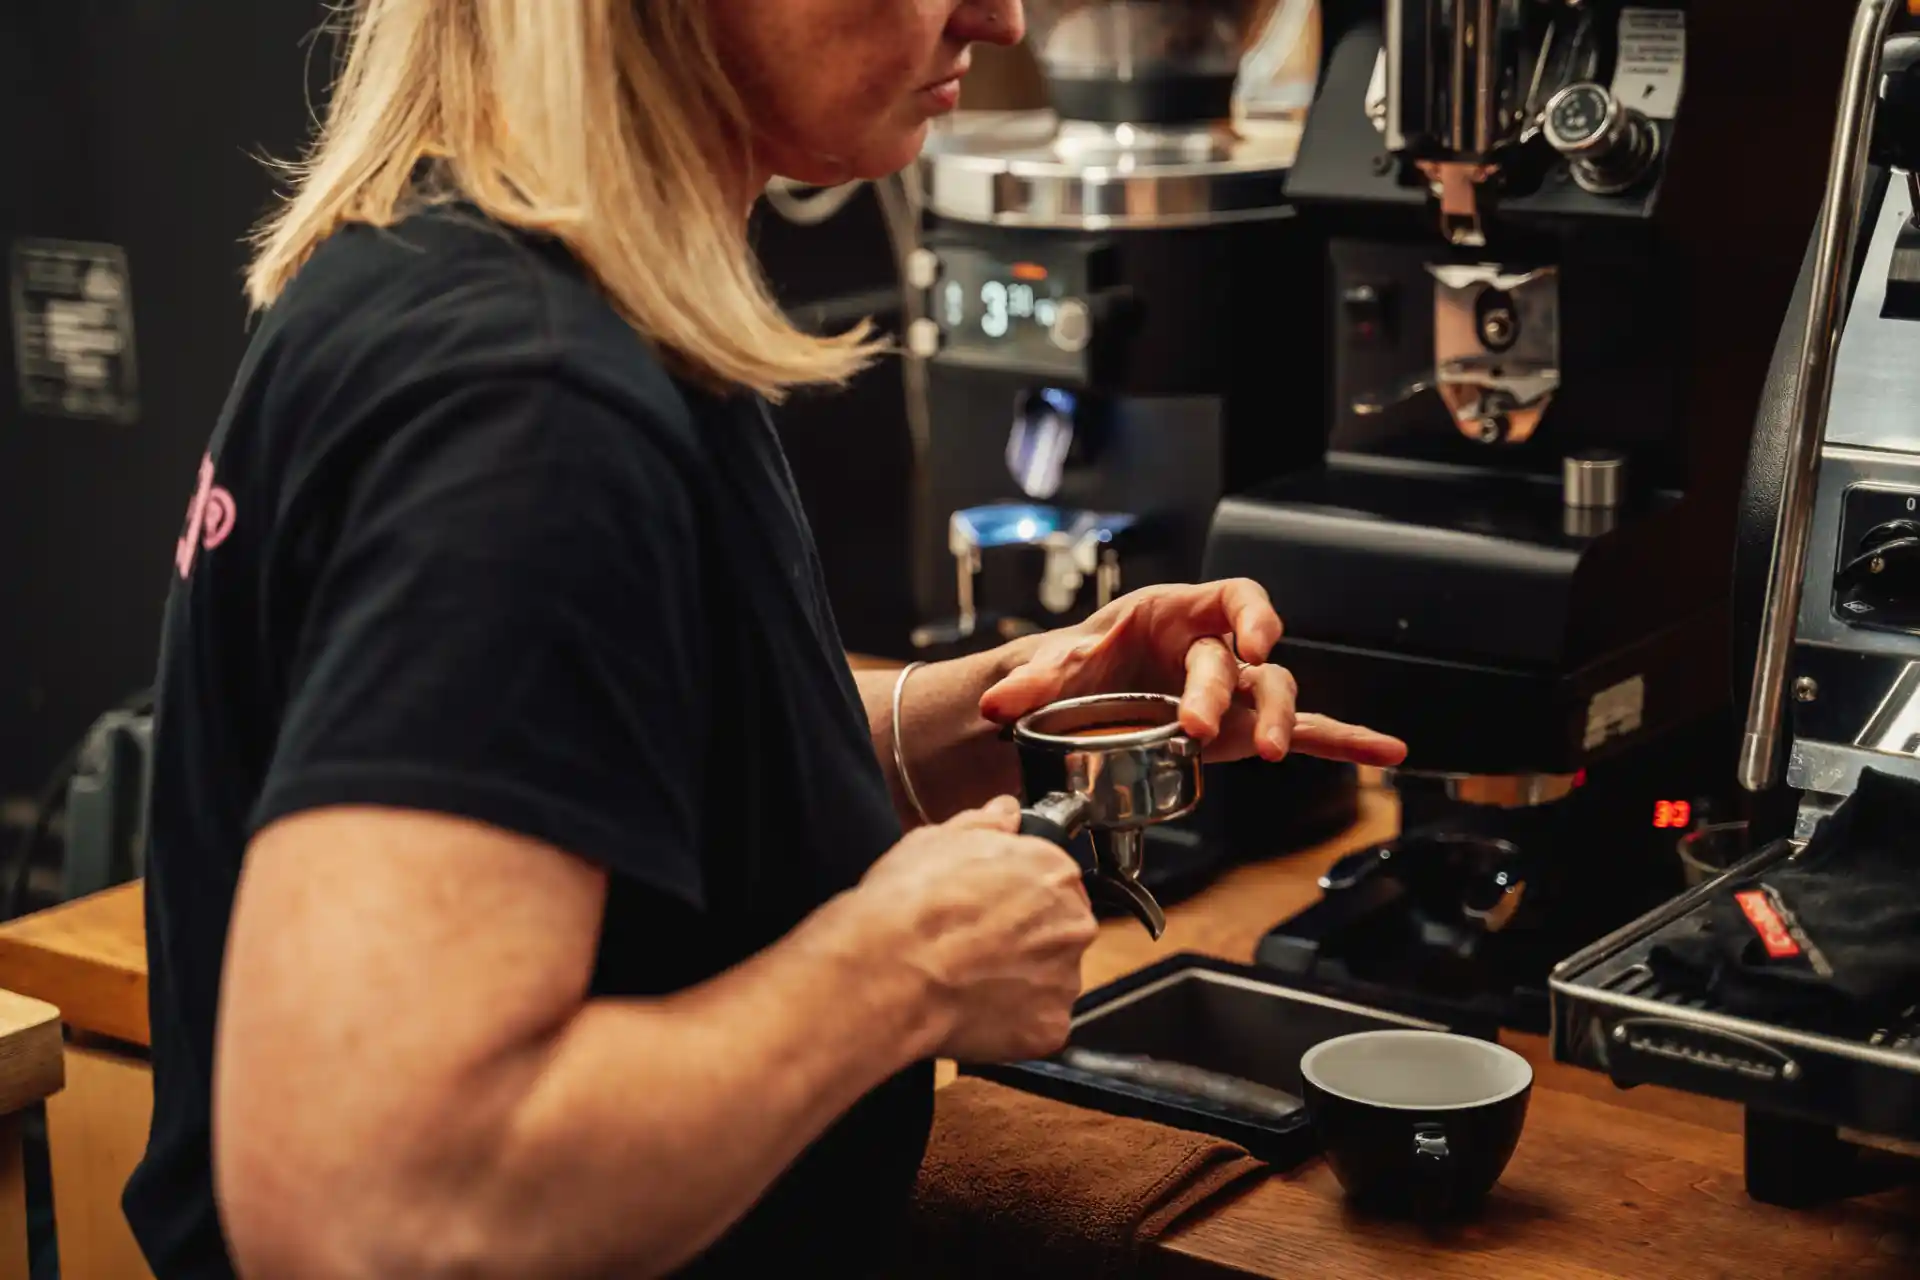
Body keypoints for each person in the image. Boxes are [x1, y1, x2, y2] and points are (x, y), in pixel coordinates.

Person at [125, 1, 1408, 1276]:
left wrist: (1015, 699)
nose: (999, 14)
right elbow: (364, 1208)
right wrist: (900, 972)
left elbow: (588, 755)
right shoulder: (525, 407)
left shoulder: (489, 278)